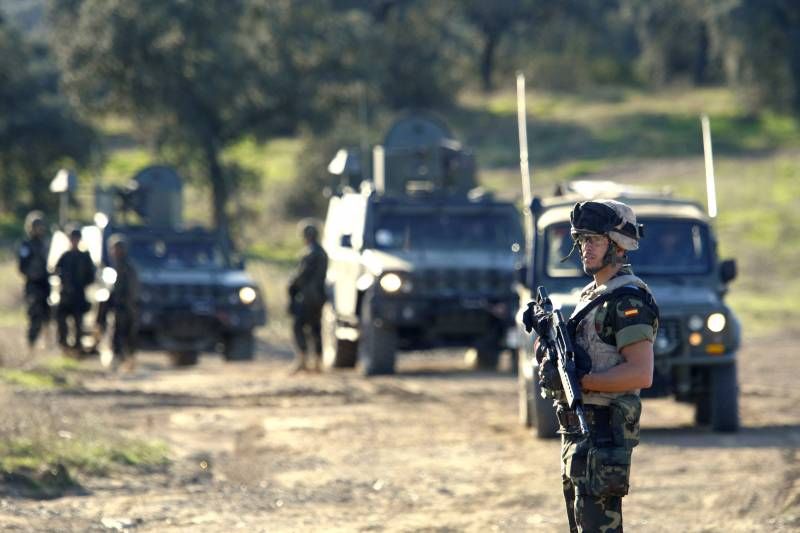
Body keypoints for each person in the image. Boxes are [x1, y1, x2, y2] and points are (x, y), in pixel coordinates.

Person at [523, 199, 659, 533]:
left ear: (618, 245)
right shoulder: (591, 295)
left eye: (594, 240)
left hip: (603, 431)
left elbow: (640, 373)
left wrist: (583, 381)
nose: (585, 248)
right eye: (581, 240)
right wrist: (546, 343)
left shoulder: (627, 300)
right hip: (579, 434)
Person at [287, 220, 328, 373]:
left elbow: (301, 276)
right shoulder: (322, 253)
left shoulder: (310, 253)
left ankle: (302, 359)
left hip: (307, 298)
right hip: (318, 298)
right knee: (316, 329)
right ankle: (317, 362)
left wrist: (291, 286)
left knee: (299, 327)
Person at [97, 235, 139, 372]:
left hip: (126, 308)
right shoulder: (113, 268)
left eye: (118, 249)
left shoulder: (128, 268)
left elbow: (132, 291)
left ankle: (127, 361)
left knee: (127, 336)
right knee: (116, 335)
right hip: (118, 308)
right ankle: (119, 360)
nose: (115, 252)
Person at [55, 227, 96, 354]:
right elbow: (56, 272)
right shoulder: (65, 256)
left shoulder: (85, 257)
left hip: (79, 295)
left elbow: (91, 276)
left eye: (76, 239)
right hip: (66, 295)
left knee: (78, 324)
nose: (74, 241)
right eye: (72, 238)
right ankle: (64, 346)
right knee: (62, 322)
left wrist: (81, 285)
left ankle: (77, 348)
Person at [18, 211, 51, 350]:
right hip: (33, 285)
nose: (38, 229)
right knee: (35, 314)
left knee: (47, 315)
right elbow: (22, 267)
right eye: (36, 226)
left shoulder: (45, 244)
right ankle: (31, 344)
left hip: (45, 284)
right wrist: (33, 274)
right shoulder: (26, 245)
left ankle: (46, 345)